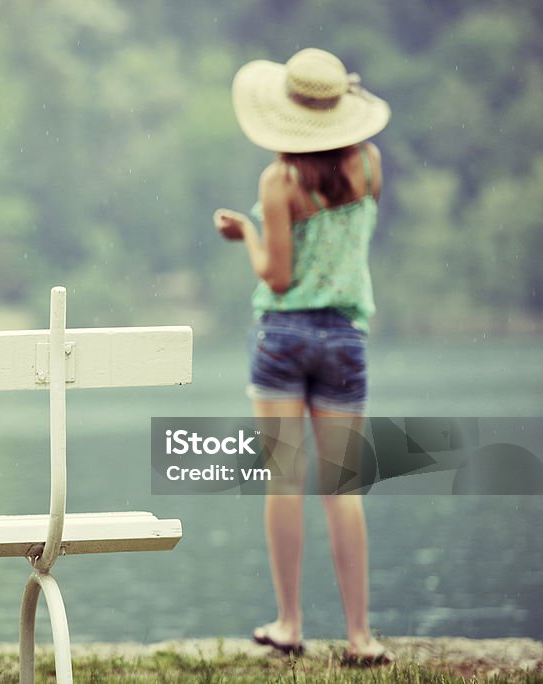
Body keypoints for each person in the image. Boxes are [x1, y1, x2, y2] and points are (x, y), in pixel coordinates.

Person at [213, 48, 392, 665]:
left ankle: (289, 623)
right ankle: (361, 637)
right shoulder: (369, 165)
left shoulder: (279, 181)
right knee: (343, 486)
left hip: (282, 340)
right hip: (344, 337)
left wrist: (249, 238)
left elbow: (280, 277)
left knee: (284, 480)